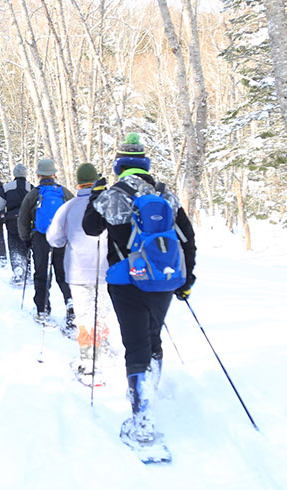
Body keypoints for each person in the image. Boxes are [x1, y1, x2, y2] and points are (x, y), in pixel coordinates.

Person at [82, 133, 196, 443]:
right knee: (152, 336)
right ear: (145, 164)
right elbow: (187, 237)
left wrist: (96, 195)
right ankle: (149, 394)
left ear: (119, 166)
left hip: (126, 280)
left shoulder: (114, 193)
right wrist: (187, 280)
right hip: (164, 279)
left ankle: (142, 419)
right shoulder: (164, 193)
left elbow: (90, 228)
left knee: (135, 346)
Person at [46, 163, 119, 384]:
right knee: (103, 311)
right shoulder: (109, 205)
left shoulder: (68, 207)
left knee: (84, 316)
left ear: (78, 182)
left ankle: (89, 361)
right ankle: (104, 350)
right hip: (106, 270)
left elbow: (54, 239)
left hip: (77, 273)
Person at [18, 158, 74, 326]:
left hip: (40, 238)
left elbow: (23, 219)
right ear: (54, 174)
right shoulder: (64, 192)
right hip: (61, 239)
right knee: (63, 275)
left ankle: (42, 309)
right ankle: (71, 307)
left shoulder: (33, 194)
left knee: (42, 274)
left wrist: (26, 239)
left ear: (38, 175)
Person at [0, 163, 32, 284]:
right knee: (26, 246)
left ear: (15, 174)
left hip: (11, 220)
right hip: (27, 220)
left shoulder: (7, 187)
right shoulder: (31, 187)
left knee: (14, 246)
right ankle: (27, 272)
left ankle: (17, 272)